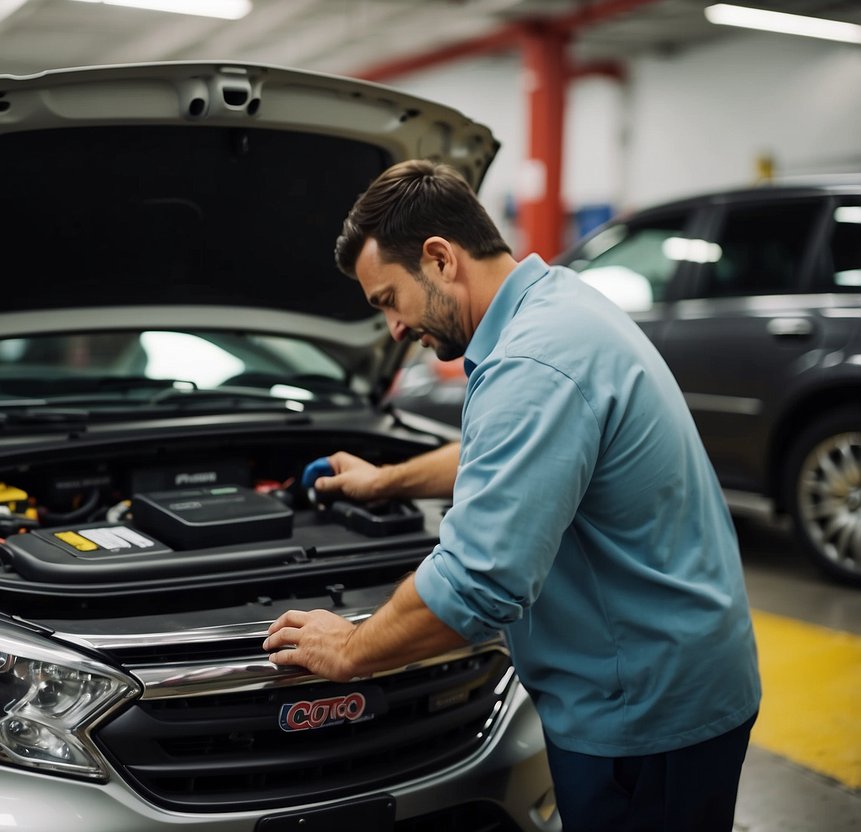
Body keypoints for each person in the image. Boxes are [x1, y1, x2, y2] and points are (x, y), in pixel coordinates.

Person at [262, 159, 761, 831]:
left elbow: (478, 581)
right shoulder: (555, 304)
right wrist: (385, 479)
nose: (394, 330)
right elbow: (520, 453)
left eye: (386, 300)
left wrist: (349, 649)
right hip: (668, 673)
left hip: (643, 712)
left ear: (439, 259)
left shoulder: (531, 362)